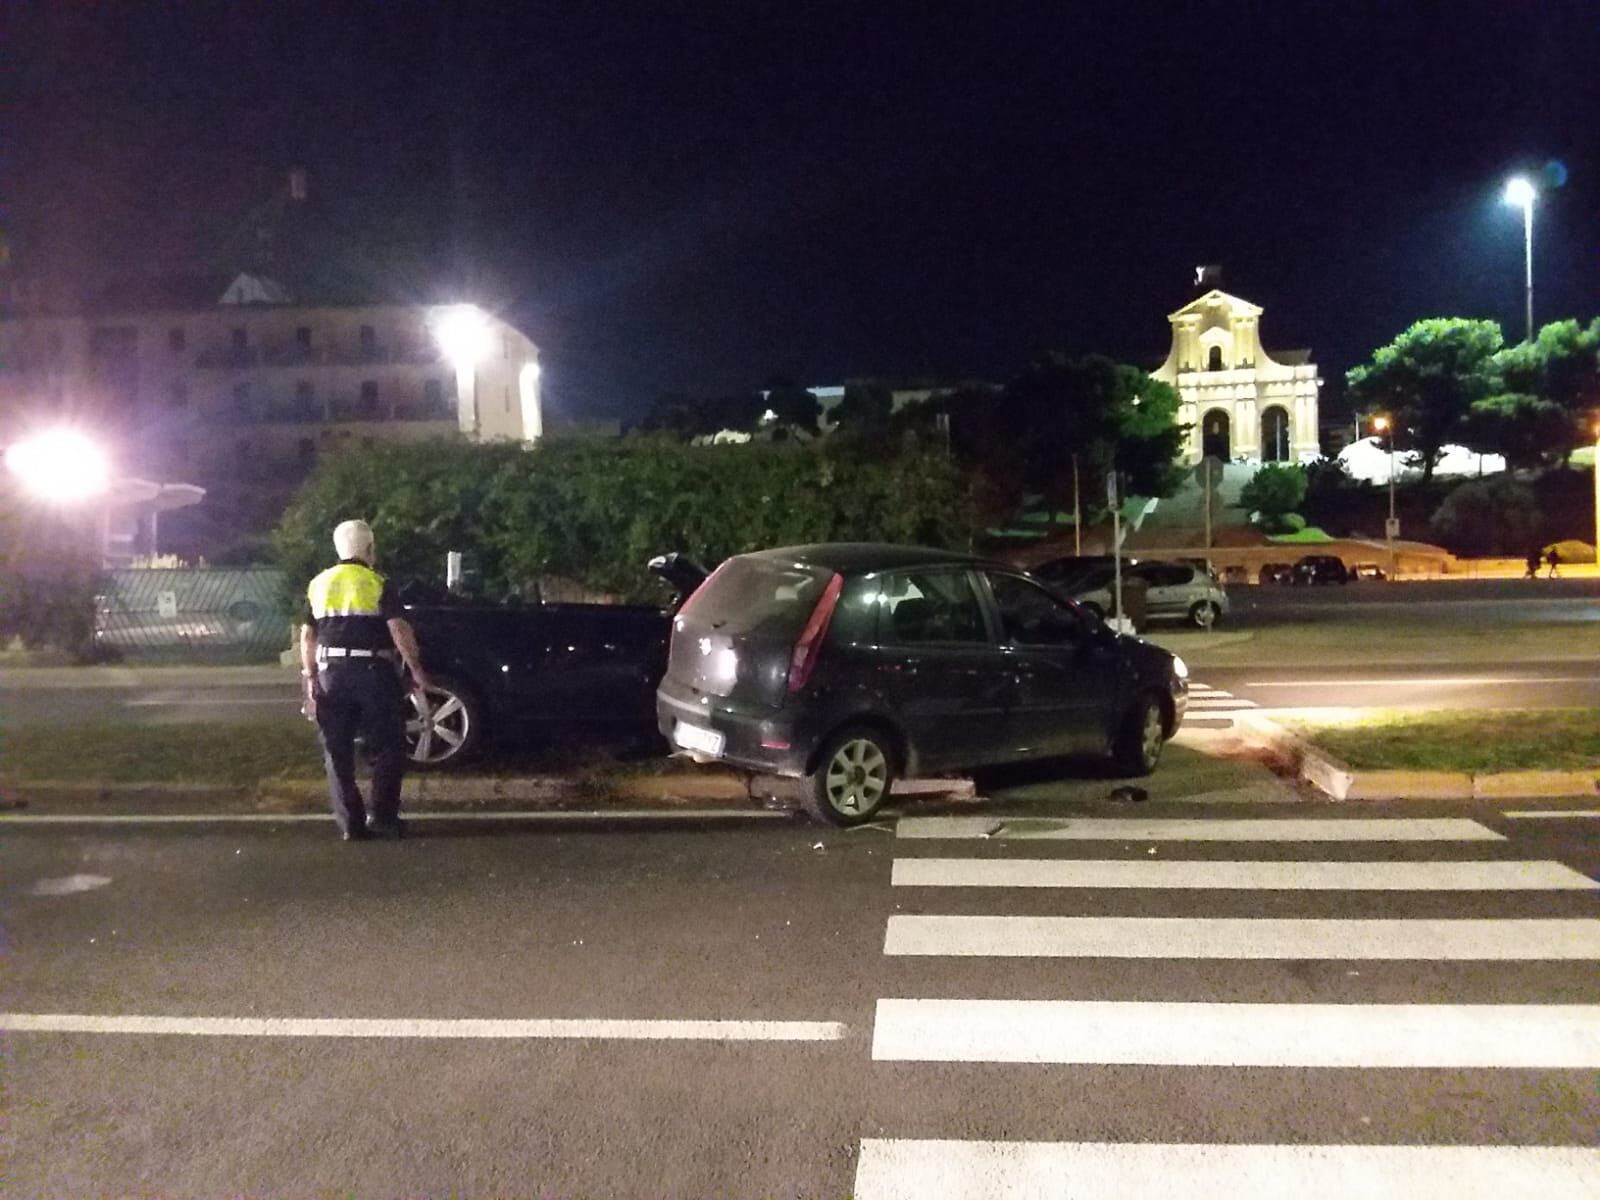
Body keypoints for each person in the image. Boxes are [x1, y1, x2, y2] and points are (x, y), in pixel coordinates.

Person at [299, 519, 429, 841]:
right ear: (369, 548)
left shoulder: (318, 584)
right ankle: (382, 817)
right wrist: (415, 669)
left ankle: (350, 823)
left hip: (330, 673)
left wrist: (310, 677)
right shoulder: (378, 583)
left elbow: (307, 636)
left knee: (337, 750)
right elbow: (399, 629)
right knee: (389, 744)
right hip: (373, 672)